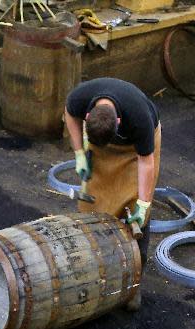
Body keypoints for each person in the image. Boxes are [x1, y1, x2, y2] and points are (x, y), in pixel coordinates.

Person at [64, 77, 161, 310]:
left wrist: (144, 203)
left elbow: (146, 163)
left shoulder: (140, 119)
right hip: (100, 142)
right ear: (88, 117)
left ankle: (134, 285)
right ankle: (94, 271)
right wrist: (79, 153)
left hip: (134, 151)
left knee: (135, 210)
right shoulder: (79, 98)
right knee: (92, 202)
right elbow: (69, 115)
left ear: (118, 121)